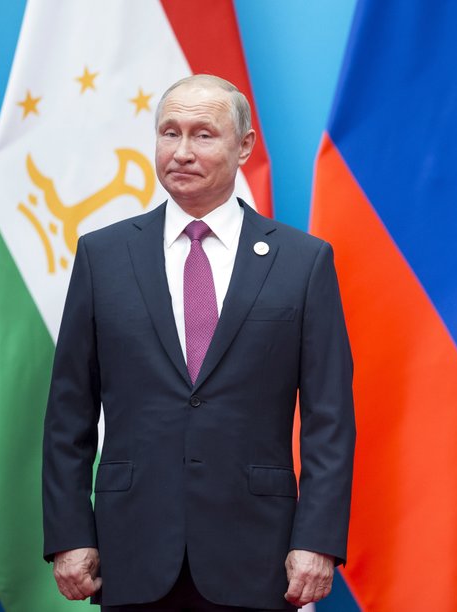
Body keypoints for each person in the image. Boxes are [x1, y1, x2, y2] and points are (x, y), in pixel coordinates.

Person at [42, 74, 355, 611]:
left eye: (204, 135)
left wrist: (317, 541)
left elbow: (330, 418)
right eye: (169, 133)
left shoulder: (303, 262)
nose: (181, 151)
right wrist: (70, 535)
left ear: (245, 146)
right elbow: (68, 412)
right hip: (132, 549)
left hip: (259, 553)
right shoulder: (103, 256)